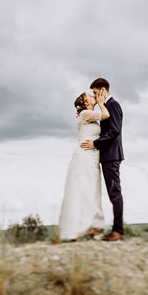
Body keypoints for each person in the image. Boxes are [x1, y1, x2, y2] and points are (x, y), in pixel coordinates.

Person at [57, 91, 110, 241]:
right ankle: (78, 228)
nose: (94, 97)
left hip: (92, 157)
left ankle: (93, 226)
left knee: (91, 189)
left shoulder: (89, 115)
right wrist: (101, 104)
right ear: (86, 103)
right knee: (83, 189)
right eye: (91, 96)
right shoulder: (85, 114)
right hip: (84, 156)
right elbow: (105, 115)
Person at [81, 77, 124, 241]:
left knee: (115, 193)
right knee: (112, 193)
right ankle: (115, 230)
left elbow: (115, 131)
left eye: (95, 92)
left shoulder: (113, 105)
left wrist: (95, 143)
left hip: (112, 156)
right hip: (106, 156)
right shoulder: (105, 107)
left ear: (103, 90)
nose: (94, 95)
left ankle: (118, 231)